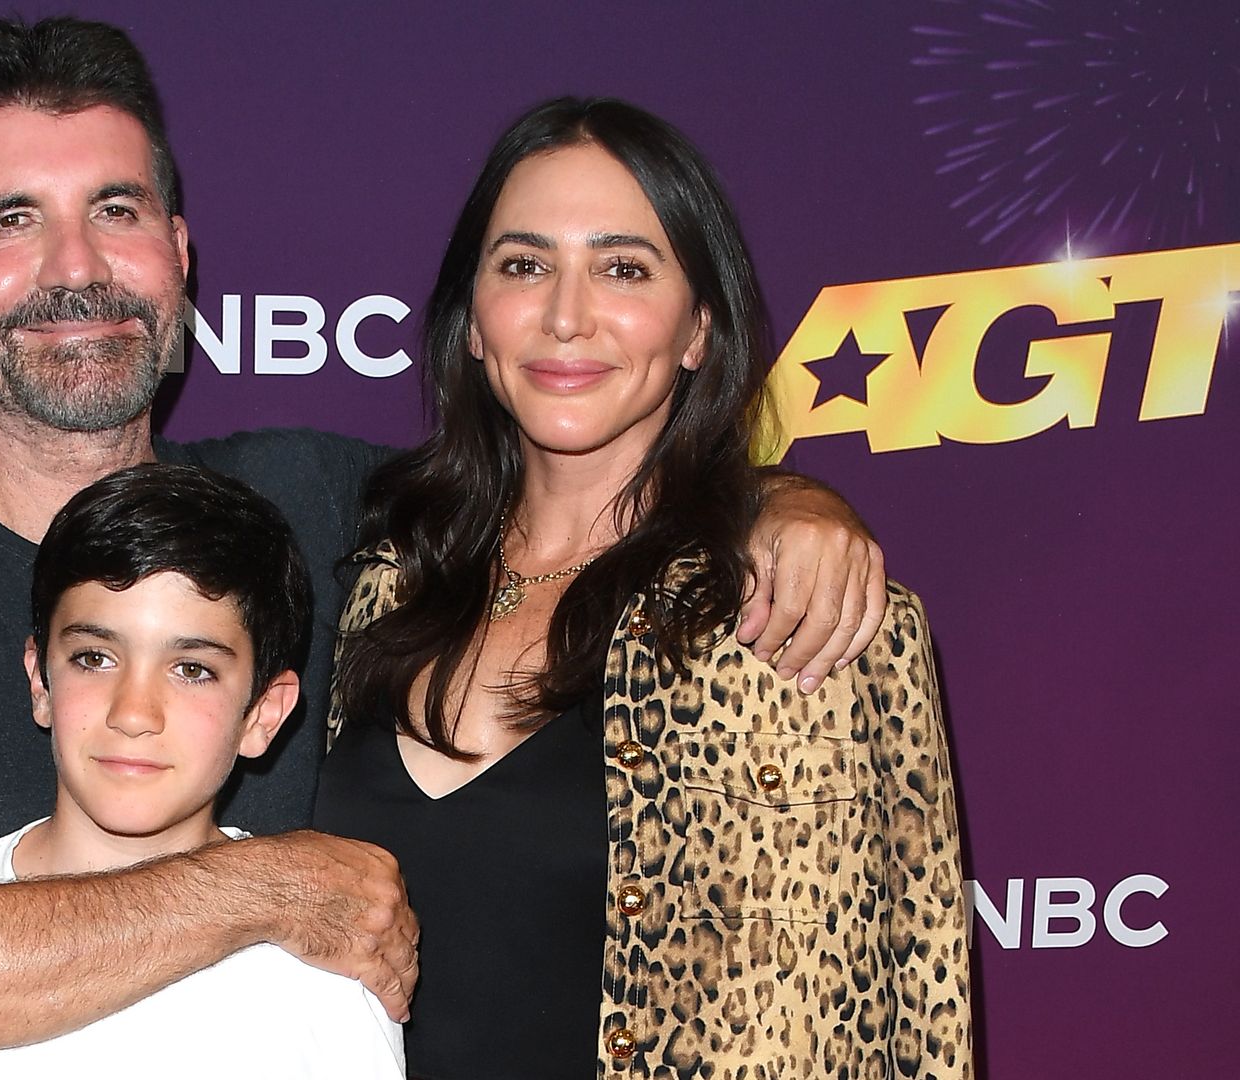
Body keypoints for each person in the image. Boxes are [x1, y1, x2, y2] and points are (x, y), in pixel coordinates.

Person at [0, 16, 887, 1074]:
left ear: (179, 252)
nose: (75, 267)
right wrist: (265, 885)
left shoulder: (314, 497)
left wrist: (778, 500)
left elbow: (580, 483)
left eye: (116, 210)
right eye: (12, 219)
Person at [313, 97, 970, 1080]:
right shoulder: (376, 582)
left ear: (699, 327)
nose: (566, 314)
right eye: (524, 265)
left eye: (624, 268)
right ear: (475, 326)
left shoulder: (796, 613)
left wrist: (787, 498)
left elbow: (919, 1002)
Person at [0, 463, 404, 1079]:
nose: (133, 713)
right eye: (94, 658)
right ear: (41, 680)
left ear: (263, 713)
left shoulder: (326, 964)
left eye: (193, 670)